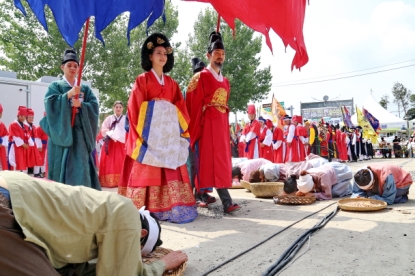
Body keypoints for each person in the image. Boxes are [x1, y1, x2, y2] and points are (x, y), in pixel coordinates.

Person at [0, 171, 188, 276]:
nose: (130, 256)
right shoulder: (128, 216)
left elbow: (75, 268)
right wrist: (161, 265)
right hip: (7, 208)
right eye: (135, 252)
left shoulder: (100, 215)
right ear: (141, 234)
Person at [119, 33, 197, 223]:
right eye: (158, 53)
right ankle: (145, 207)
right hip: (148, 136)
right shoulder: (142, 80)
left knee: (170, 165)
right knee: (148, 166)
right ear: (150, 56)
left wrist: (168, 114)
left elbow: (181, 110)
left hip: (168, 137)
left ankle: (172, 206)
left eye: (165, 53)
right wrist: (158, 113)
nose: (162, 56)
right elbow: (135, 108)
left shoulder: (172, 84)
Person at [186, 31, 241, 213]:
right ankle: (222, 201)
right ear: (208, 55)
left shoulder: (225, 81)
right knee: (206, 162)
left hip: (221, 126)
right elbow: (191, 104)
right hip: (206, 126)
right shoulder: (200, 77)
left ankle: (218, 199)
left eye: (222, 54)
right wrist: (197, 128)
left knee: (221, 162)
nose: (220, 57)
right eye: (216, 54)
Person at [40, 48, 100, 190]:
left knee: (81, 169)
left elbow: (94, 107)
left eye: (75, 66)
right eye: (69, 65)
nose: (72, 68)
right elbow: (50, 104)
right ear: (62, 67)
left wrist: (82, 105)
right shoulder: (55, 86)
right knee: (61, 172)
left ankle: (82, 199)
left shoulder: (85, 89)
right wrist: (68, 95)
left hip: (79, 136)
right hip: (62, 135)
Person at [99, 100, 127, 187]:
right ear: (113, 108)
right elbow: (103, 129)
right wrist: (111, 133)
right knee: (110, 162)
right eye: (116, 107)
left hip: (122, 143)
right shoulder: (109, 118)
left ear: (123, 108)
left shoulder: (125, 118)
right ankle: (108, 181)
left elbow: (128, 130)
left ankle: (122, 181)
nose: (118, 109)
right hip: (110, 142)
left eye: (120, 107)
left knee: (121, 161)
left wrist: (120, 135)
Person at [8, 106, 30, 172]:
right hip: (16, 146)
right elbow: (15, 136)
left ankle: (24, 179)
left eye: (24, 116)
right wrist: (24, 144)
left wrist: (28, 143)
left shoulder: (25, 126)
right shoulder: (13, 125)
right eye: (21, 116)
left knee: (23, 163)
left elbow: (27, 135)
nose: (23, 118)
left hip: (24, 146)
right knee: (16, 163)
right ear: (18, 115)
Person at [25, 108, 43, 177]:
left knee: (37, 158)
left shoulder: (34, 127)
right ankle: (25, 173)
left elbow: (36, 137)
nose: (31, 119)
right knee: (26, 159)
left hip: (34, 144)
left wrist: (38, 146)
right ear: (26, 118)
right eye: (29, 117)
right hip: (27, 144)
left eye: (32, 117)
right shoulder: (24, 126)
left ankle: (36, 173)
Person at [35, 112, 48, 178]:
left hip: (47, 146)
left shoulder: (49, 127)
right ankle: (36, 173)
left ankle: (44, 172)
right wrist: (39, 146)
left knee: (45, 160)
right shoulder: (39, 128)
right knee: (40, 159)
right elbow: (37, 138)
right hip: (42, 146)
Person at [0, 104, 8, 171]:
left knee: (2, 161)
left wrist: (2, 143)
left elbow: (5, 135)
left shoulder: (2, 125)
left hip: (1, 146)